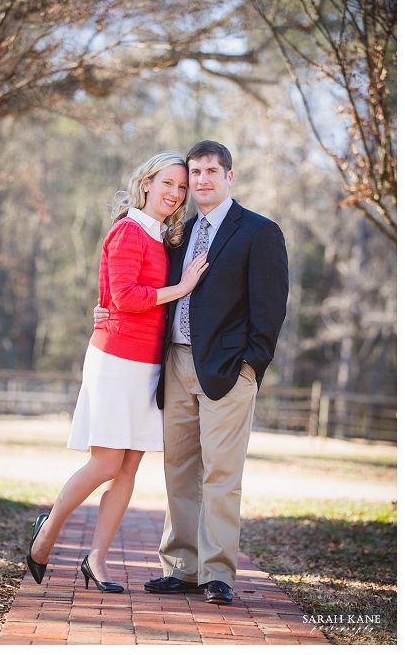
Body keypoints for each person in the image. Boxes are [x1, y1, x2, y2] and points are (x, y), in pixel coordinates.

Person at [25, 152, 208, 593]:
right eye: (168, 183)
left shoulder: (167, 238)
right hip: (115, 360)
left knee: (129, 467)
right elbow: (124, 297)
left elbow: (118, 296)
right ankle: (46, 532)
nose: (175, 193)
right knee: (106, 462)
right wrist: (180, 289)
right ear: (146, 183)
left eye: (182, 188)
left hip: (149, 364)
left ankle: (97, 559)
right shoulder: (128, 230)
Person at [139, 141, 289, 605]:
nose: (201, 180)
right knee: (179, 470)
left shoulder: (258, 232)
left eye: (211, 171)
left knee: (221, 474)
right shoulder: (177, 233)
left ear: (229, 176)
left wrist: (251, 366)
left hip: (227, 371)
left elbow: (270, 309)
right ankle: (181, 568)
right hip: (176, 363)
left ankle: (218, 573)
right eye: (195, 172)